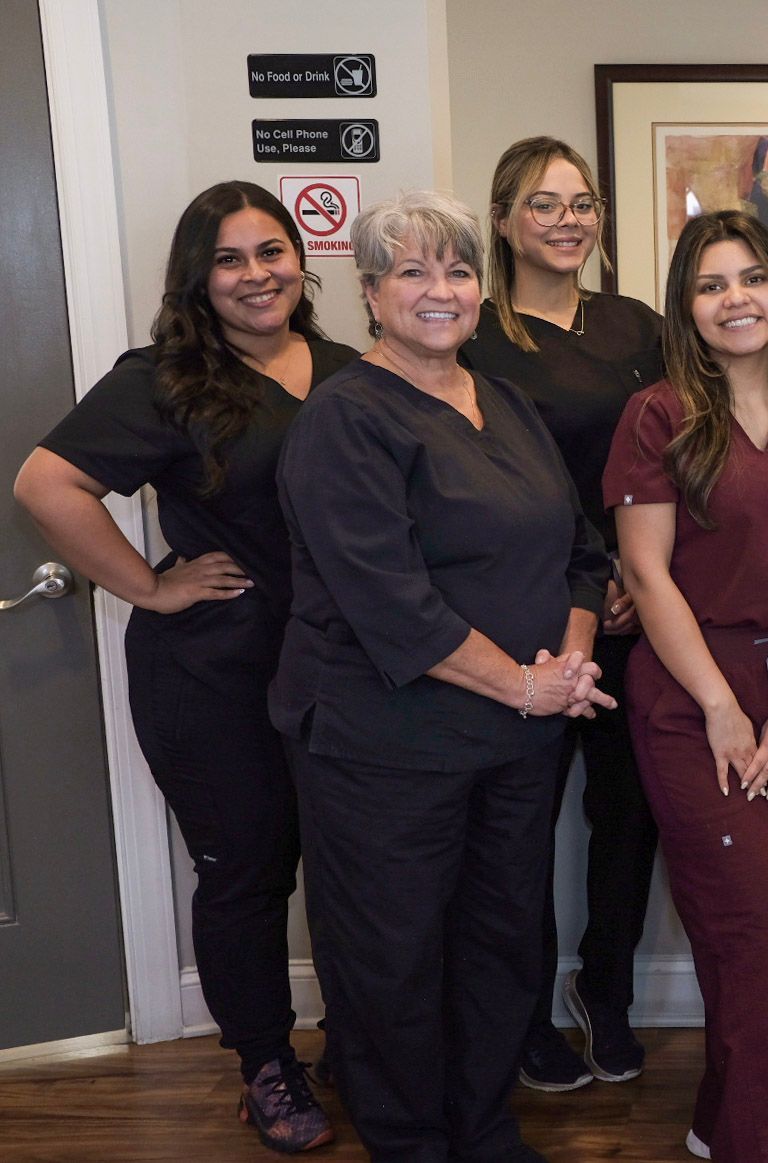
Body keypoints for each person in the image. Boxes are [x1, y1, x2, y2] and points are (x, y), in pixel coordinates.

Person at [271, 190, 614, 1163]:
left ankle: (481, 1122)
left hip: (514, 740)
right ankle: (414, 1139)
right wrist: (523, 683)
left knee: (501, 942)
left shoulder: (501, 399)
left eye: (458, 270)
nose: (440, 289)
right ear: (370, 294)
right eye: (412, 271)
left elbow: (579, 551)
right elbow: (391, 602)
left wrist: (571, 655)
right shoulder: (346, 418)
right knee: (393, 957)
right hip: (383, 742)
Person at [14, 180, 355, 1155]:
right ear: (198, 280)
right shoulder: (164, 377)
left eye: (271, 251)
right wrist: (149, 585)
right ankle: (265, 1063)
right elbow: (46, 482)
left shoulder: (345, 367)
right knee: (247, 871)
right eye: (230, 260)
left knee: (345, 865)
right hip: (216, 673)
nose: (257, 276)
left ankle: (355, 1044)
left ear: (300, 258)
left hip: (338, 665)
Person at [604, 209, 768, 1162]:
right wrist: (718, 705)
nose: (734, 299)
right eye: (711, 284)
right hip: (687, 694)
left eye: (750, 278)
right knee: (753, 933)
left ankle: (722, 1119)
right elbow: (648, 573)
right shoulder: (660, 414)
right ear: (687, 306)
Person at [463, 135, 665, 1092]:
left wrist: (639, 569)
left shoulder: (636, 326)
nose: (566, 220)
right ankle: (528, 1014)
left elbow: (676, 454)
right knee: (518, 828)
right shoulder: (474, 333)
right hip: (520, 618)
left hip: (636, 606)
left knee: (629, 816)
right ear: (502, 218)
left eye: (581, 203)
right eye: (543, 204)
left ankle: (608, 988)